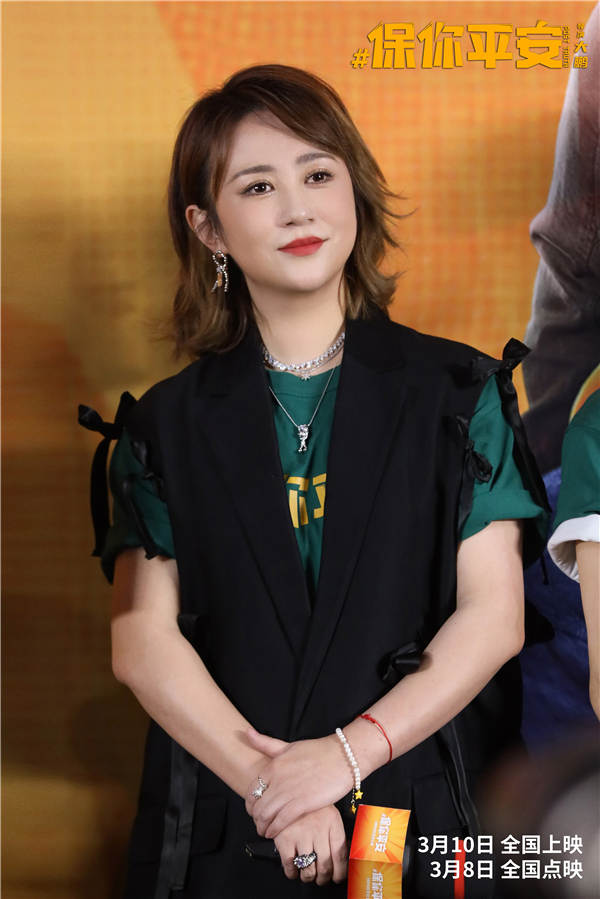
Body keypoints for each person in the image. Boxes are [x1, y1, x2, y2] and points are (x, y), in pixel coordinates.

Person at [79, 65, 548, 898]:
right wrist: (274, 788)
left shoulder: (457, 393)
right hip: (227, 819)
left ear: (355, 192)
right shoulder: (165, 424)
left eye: (319, 174)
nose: (297, 209)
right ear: (208, 227)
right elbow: (142, 641)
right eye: (258, 186)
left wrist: (342, 759)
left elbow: (494, 617)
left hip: (415, 808)